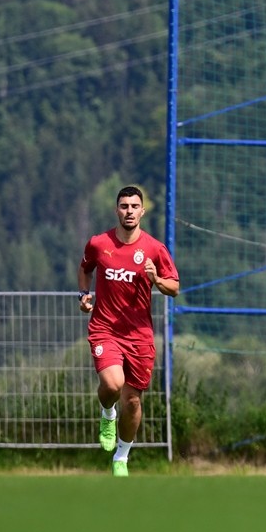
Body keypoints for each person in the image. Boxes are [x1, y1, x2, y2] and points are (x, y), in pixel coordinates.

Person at [77, 186, 179, 476]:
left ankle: (121, 457)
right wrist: (83, 296)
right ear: (117, 210)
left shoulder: (154, 249)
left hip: (139, 335)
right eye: (124, 206)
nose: (129, 211)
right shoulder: (99, 243)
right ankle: (107, 413)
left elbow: (174, 287)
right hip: (105, 329)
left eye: (135, 206)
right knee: (112, 385)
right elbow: (85, 269)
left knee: (133, 401)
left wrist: (156, 279)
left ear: (142, 211)